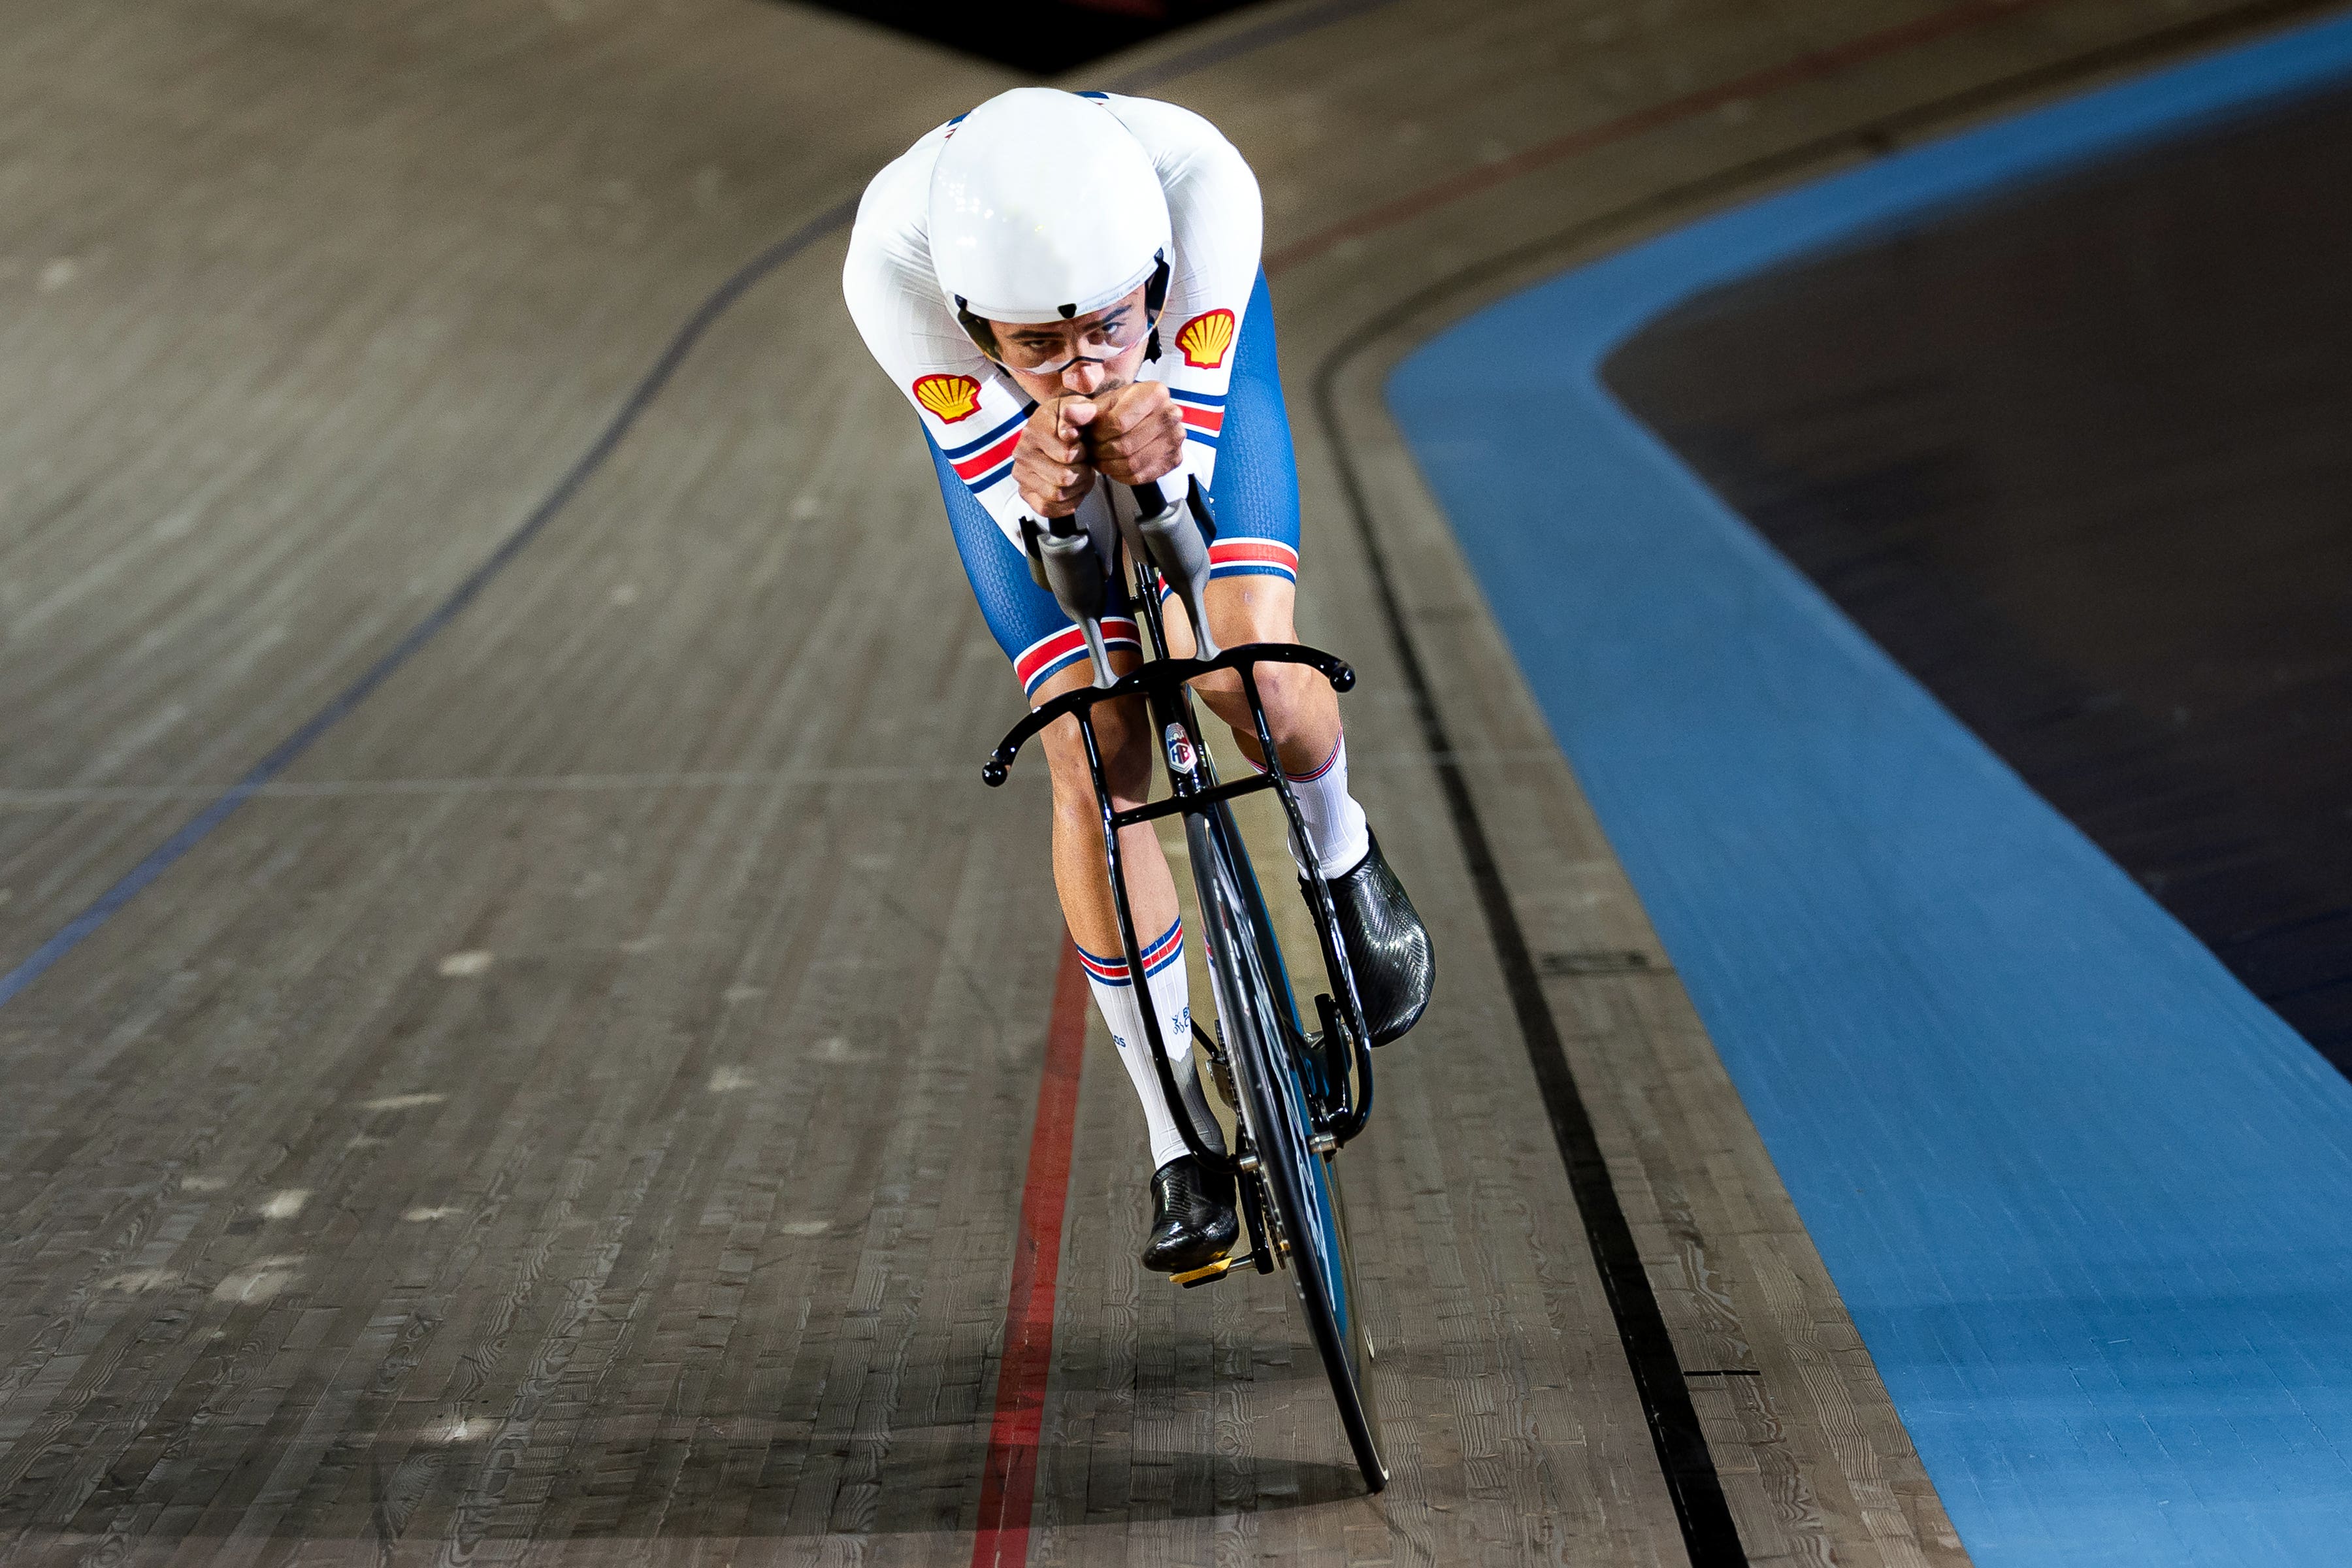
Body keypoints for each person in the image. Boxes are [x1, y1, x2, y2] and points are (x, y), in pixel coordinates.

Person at [843, 88, 1432, 1274]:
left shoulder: (1201, 185)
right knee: (1091, 748)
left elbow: (1177, 501)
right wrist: (1046, 488)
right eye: (1036, 347)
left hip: (1197, 402)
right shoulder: (891, 270)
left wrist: (1151, 452)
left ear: (1153, 279)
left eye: (1107, 327)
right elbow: (1032, 522)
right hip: (1011, 458)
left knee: (1240, 669)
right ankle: (1176, 1139)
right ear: (973, 322)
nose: (1079, 368)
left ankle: (1339, 853)